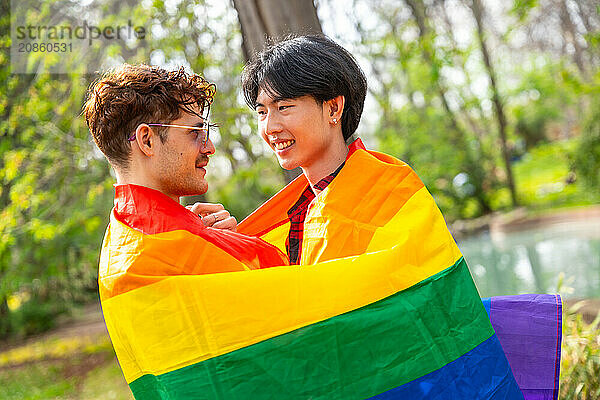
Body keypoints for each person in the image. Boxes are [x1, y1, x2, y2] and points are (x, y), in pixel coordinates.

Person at [235, 35, 527, 398]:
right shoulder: (296, 212)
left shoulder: (389, 188)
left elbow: (422, 302)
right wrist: (232, 245)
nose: (270, 126)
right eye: (262, 112)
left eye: (285, 107)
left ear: (333, 109)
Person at [83, 64, 288, 396]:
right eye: (195, 132)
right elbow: (294, 293)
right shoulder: (171, 242)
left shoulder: (121, 236)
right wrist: (233, 247)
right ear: (147, 139)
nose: (209, 147)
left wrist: (224, 240)